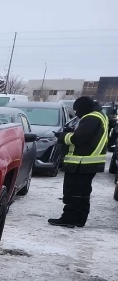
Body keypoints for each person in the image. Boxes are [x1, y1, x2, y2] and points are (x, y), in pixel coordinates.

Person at [48, 96, 109, 228]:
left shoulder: (90, 118)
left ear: (83, 108)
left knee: (72, 193)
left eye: (77, 110)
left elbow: (79, 138)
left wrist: (63, 136)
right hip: (90, 163)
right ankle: (80, 219)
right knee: (83, 193)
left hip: (81, 163)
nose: (76, 113)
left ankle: (68, 219)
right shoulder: (100, 116)